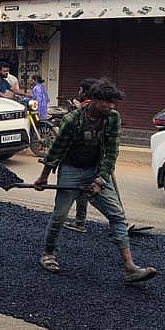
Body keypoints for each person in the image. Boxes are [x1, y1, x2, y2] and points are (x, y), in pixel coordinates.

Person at [33, 80, 157, 283]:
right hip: (71, 170)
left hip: (95, 169)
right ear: (94, 100)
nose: (111, 106)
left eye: (113, 103)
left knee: (117, 215)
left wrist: (101, 179)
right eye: (107, 102)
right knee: (60, 215)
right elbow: (57, 149)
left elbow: (111, 152)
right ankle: (48, 253)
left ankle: (130, 267)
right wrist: (44, 176)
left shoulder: (112, 118)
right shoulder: (72, 119)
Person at [64, 77, 99, 233]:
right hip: (94, 159)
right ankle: (80, 221)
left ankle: (72, 221)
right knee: (83, 192)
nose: (78, 91)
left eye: (80, 89)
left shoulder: (82, 111)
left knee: (73, 192)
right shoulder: (99, 109)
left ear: (84, 92)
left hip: (78, 159)